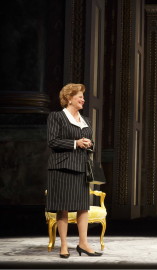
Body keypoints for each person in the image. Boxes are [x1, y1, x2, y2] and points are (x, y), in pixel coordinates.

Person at [46, 83, 102, 258]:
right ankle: (64, 245)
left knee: (82, 207)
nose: (83, 100)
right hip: (62, 167)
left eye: (83, 97)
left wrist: (89, 144)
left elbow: (90, 142)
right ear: (69, 98)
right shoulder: (56, 117)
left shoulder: (86, 120)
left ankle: (83, 244)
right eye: (80, 97)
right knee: (62, 208)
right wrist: (75, 143)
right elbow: (52, 141)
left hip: (81, 167)